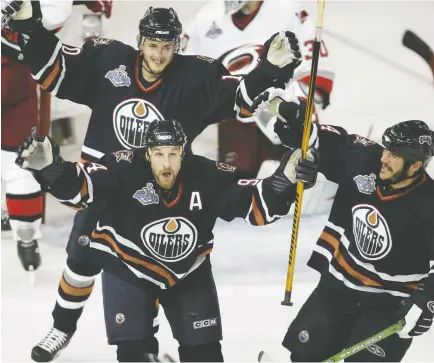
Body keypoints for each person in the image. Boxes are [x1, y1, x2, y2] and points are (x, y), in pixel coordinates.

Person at [4, 0, 303, 361]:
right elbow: (57, 71)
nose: (159, 55)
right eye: (152, 44)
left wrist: (270, 70)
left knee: (169, 265)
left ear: (177, 44)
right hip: (107, 184)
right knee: (81, 258)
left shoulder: (196, 77)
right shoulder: (109, 60)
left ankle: (161, 341)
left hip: (166, 189)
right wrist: (31, 30)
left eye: (167, 45)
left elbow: (239, 101)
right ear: (140, 41)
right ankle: (63, 327)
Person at [16, 119, 319, 362]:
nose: (166, 162)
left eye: (173, 154)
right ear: (147, 153)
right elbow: (82, 187)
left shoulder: (207, 174)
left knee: (206, 356)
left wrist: (285, 179)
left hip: (188, 272)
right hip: (128, 268)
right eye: (159, 154)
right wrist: (51, 168)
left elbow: (256, 206)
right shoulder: (121, 166)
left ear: (183, 154)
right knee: (135, 354)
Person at [252, 88, 434, 361]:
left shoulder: (428, 204)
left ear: (415, 166)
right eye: (386, 150)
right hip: (337, 287)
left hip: (389, 303)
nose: (383, 158)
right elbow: (315, 140)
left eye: (394, 156)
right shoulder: (365, 159)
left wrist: (428, 301)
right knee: (304, 357)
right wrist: (293, 120)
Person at [182, 0, 336, 215]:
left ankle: (312, 170)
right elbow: (185, 76)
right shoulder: (206, 17)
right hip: (236, 116)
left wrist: (292, 100)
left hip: (283, 105)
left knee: (302, 184)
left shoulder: (288, 10)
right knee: (238, 190)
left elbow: (317, 72)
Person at [1, 0, 112, 271]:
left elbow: (49, 20)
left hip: (16, 77)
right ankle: (26, 232)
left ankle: (26, 231)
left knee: (22, 165)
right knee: (21, 165)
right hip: (17, 74)